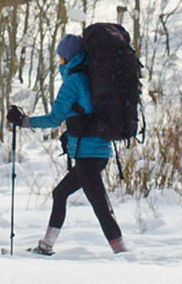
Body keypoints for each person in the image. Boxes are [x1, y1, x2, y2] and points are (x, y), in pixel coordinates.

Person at [7, 34, 126, 256]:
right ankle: (46, 245)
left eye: (61, 57)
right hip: (100, 151)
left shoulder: (74, 81)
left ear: (68, 57)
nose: (59, 61)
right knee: (60, 194)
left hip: (87, 154)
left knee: (100, 205)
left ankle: (122, 253)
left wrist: (24, 121)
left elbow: (54, 119)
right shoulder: (92, 76)